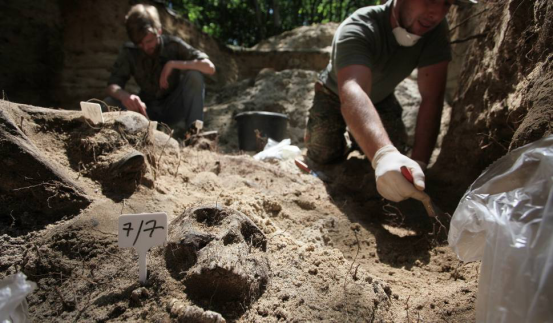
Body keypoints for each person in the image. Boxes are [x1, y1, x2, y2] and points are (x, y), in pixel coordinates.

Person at [305, 0, 474, 204]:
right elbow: (352, 91)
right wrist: (383, 154)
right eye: (430, 0)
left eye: (446, 3)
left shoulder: (436, 31)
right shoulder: (359, 26)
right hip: (332, 95)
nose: (437, 13)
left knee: (399, 157)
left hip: (381, 99)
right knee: (323, 153)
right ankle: (335, 137)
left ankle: (359, 137)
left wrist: (419, 166)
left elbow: (432, 97)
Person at [105, 4, 216, 137]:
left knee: (194, 76)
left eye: (149, 41)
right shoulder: (129, 52)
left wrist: (173, 64)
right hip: (146, 111)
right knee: (109, 102)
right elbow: (112, 86)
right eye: (139, 44)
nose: (146, 47)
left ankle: (195, 135)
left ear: (159, 31)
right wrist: (125, 96)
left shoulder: (173, 45)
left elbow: (209, 67)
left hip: (173, 107)